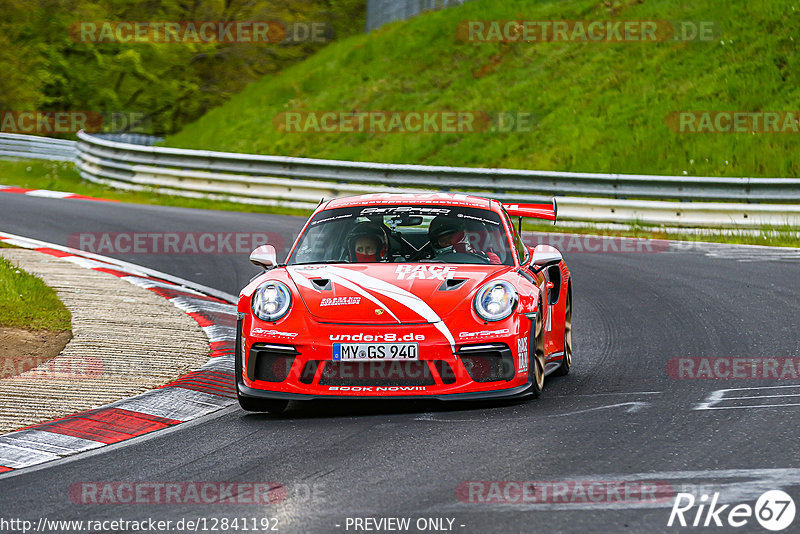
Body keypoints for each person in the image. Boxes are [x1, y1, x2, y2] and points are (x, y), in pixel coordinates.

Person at [427, 216, 501, 264]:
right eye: (444, 241)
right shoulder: (426, 262)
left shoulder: (489, 258)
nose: (449, 243)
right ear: (436, 244)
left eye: (452, 238)